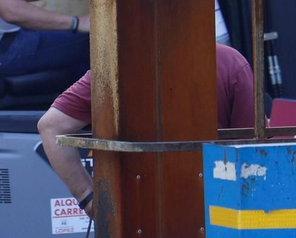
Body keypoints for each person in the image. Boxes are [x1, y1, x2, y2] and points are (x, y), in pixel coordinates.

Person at [37, 43, 257, 215]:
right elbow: (256, 150)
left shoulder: (117, 65)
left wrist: (89, 200)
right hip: (219, 211)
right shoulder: (229, 61)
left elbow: (51, 126)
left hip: (139, 216)